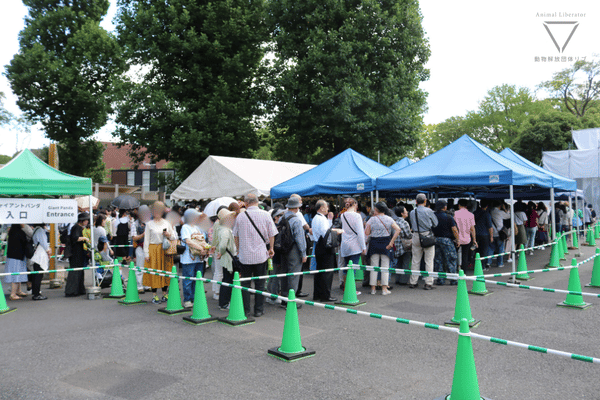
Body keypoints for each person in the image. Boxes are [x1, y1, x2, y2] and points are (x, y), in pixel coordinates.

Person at [233, 193, 278, 318]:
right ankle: (258, 309)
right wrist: (271, 248)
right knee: (260, 284)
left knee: (245, 284)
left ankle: (246, 310)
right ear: (257, 202)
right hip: (260, 255)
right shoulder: (266, 215)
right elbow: (272, 234)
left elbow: (235, 235)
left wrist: (238, 249)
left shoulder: (240, 216)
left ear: (246, 203)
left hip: (245, 256)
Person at [143, 201, 178, 305]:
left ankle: (164, 293)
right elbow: (146, 240)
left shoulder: (166, 223)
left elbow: (174, 237)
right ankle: (154, 295)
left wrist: (168, 234)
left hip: (165, 250)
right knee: (154, 272)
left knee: (165, 271)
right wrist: (146, 254)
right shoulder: (149, 224)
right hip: (153, 250)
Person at [365, 202, 400, 295]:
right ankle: (384, 289)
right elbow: (398, 229)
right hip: (386, 243)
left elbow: (367, 232)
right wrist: (391, 242)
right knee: (385, 267)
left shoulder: (371, 220)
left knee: (374, 267)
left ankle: (373, 289)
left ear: (376, 210)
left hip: (374, 244)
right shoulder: (389, 219)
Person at [280, 196, 308, 307]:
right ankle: (291, 301)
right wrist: (303, 253)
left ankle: (283, 299)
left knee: (284, 274)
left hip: (283, 250)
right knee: (294, 275)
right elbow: (300, 239)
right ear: (297, 207)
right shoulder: (296, 220)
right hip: (294, 250)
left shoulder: (283, 218)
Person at [180, 209, 209, 308]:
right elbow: (188, 241)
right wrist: (201, 248)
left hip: (199, 258)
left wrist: (206, 249)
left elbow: (203, 240)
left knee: (197, 279)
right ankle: (187, 299)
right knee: (188, 280)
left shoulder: (197, 227)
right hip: (189, 258)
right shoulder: (185, 227)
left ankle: (195, 298)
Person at [409, 193, 438, 290]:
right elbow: (435, 223)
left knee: (415, 260)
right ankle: (428, 283)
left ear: (416, 201)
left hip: (416, 236)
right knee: (429, 261)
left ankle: (413, 282)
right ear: (425, 201)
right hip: (427, 235)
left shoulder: (412, 212)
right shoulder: (429, 211)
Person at [312, 199, 339, 302]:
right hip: (325, 248)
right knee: (327, 272)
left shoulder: (316, 218)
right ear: (321, 208)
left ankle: (318, 295)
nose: (328, 208)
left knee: (320, 272)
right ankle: (325, 295)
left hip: (318, 246)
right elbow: (327, 233)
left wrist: (330, 220)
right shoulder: (321, 219)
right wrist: (337, 232)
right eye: (326, 206)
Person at [340, 197, 366, 291]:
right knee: (353, 268)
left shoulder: (342, 215)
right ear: (355, 204)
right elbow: (360, 233)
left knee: (346, 267)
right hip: (355, 245)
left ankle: (345, 287)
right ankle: (350, 290)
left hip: (345, 244)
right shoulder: (357, 216)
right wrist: (363, 246)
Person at [432, 200, 459, 284]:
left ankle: (441, 279)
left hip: (435, 239)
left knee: (438, 260)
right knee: (451, 259)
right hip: (446, 240)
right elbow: (454, 229)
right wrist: (457, 239)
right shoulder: (448, 217)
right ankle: (453, 279)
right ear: (444, 207)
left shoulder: (433, 216)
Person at [215, 208, 237, 310]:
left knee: (227, 280)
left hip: (227, 258)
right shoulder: (225, 230)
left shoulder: (223, 229)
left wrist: (221, 252)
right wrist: (221, 252)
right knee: (227, 281)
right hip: (228, 259)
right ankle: (224, 303)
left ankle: (224, 302)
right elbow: (223, 246)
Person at [65, 213, 90, 297]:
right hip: (75, 252)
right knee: (76, 271)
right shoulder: (77, 227)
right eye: (86, 220)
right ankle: (72, 290)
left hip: (77, 252)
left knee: (78, 270)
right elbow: (75, 238)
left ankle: (78, 289)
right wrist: (84, 238)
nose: (87, 222)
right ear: (82, 221)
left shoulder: (78, 227)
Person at [5, 224, 31, 300]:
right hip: (18, 256)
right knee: (16, 275)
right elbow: (26, 242)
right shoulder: (21, 232)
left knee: (17, 274)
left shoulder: (12, 232)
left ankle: (18, 291)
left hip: (12, 256)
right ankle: (13, 294)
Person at [454, 199, 477, 270]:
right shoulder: (471, 215)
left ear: (459, 205)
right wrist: (474, 240)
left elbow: (453, 227)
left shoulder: (455, 213)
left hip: (456, 238)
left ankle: (455, 270)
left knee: (454, 255)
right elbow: (472, 229)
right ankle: (464, 272)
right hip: (467, 239)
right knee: (465, 255)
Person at [132, 205, 150, 293]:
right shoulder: (135, 224)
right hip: (140, 247)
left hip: (149, 247)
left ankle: (147, 285)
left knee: (148, 267)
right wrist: (143, 234)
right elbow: (134, 237)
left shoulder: (150, 222)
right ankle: (139, 286)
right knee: (140, 266)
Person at [393, 205, 412, 285]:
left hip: (396, 245)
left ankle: (397, 279)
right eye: (405, 210)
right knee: (406, 263)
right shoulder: (404, 222)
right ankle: (403, 281)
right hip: (404, 246)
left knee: (399, 263)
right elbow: (408, 235)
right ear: (402, 213)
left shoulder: (394, 221)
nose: (407, 212)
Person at [30, 224, 50, 300]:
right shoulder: (40, 230)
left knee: (36, 274)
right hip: (40, 254)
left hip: (36, 253)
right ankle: (37, 294)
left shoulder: (35, 229)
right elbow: (43, 242)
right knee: (39, 275)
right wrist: (48, 250)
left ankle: (35, 292)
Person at [474, 200, 493, 269]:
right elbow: (490, 227)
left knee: (476, 250)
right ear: (487, 206)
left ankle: (476, 265)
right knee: (484, 251)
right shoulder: (487, 214)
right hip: (485, 235)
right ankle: (482, 266)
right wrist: (491, 236)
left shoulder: (475, 213)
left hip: (476, 234)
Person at [490, 201, 509, 268]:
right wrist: (505, 209)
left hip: (491, 233)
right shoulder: (500, 212)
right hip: (499, 233)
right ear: (500, 206)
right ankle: (500, 263)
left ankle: (488, 263)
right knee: (500, 248)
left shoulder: (490, 211)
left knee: (491, 248)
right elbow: (508, 216)